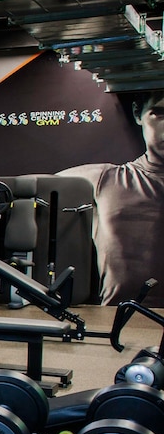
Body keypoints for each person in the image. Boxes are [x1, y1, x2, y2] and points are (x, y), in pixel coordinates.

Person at [58, 90, 164, 307]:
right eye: (160, 113)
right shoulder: (104, 180)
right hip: (118, 318)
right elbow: (13, 187)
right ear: (138, 113)